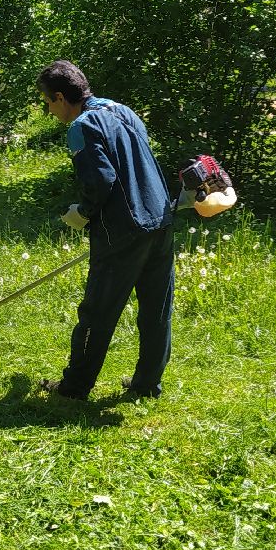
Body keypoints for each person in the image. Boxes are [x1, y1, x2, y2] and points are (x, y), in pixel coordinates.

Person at [36, 60, 175, 400]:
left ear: (59, 96)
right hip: (160, 220)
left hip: (122, 230)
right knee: (156, 309)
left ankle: (74, 387)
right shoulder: (123, 110)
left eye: (47, 102)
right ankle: (146, 386)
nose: (49, 110)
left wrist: (82, 213)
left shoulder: (82, 125)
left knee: (97, 313)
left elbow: (101, 179)